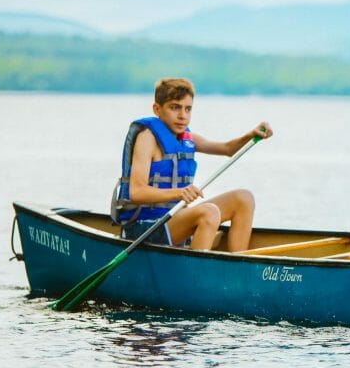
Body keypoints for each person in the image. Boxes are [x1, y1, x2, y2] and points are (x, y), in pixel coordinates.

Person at [110, 77, 273, 251]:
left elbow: (227, 149)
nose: (182, 116)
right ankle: (196, 273)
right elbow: (136, 192)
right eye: (175, 107)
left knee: (243, 199)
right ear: (157, 109)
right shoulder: (147, 138)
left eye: (188, 109)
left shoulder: (187, 139)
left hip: (174, 220)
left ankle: (238, 266)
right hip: (143, 228)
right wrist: (180, 192)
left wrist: (251, 136)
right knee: (209, 212)